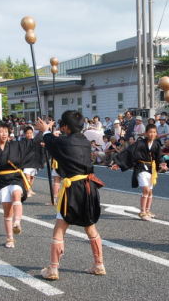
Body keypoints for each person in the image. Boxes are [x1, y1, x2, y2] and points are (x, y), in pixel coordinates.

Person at [37, 111, 106, 280]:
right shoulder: (84, 141)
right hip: (89, 187)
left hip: (72, 188)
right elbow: (55, 142)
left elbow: (49, 141)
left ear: (66, 127)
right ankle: (99, 265)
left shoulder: (63, 142)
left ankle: (53, 269)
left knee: (59, 228)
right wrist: (49, 133)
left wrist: (46, 130)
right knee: (90, 226)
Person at [112, 124, 168, 221]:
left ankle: (147, 210)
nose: (152, 134)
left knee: (150, 191)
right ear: (146, 133)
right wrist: (118, 163)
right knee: (146, 189)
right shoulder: (140, 143)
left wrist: (162, 164)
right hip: (141, 168)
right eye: (150, 132)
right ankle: (142, 212)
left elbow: (159, 157)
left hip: (151, 168)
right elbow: (128, 152)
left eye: (154, 132)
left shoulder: (156, 144)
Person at [22, 126, 38, 198]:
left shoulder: (34, 141)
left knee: (32, 177)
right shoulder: (23, 141)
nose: (29, 134)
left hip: (34, 161)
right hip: (26, 162)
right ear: (25, 134)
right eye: (27, 133)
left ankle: (29, 189)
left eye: (30, 133)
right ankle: (27, 191)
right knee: (27, 177)